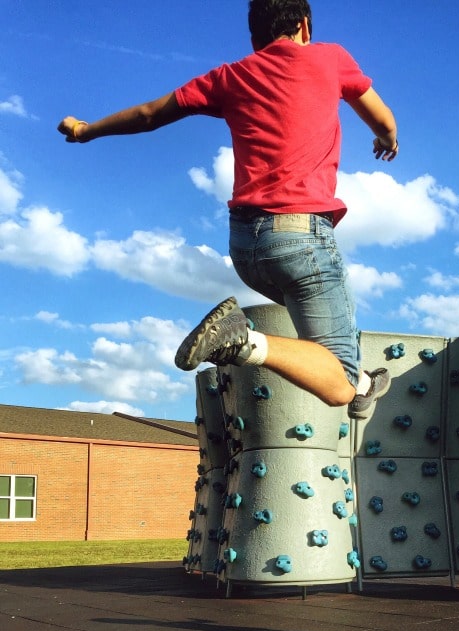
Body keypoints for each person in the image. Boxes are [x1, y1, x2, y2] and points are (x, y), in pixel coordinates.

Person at [57, 0, 398, 419]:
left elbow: (149, 115)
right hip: (302, 240)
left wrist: (86, 130)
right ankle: (249, 343)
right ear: (305, 27)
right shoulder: (331, 57)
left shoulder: (230, 76)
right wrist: (386, 138)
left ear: (254, 39)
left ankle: (366, 384)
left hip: (247, 249)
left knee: (328, 356)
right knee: (339, 382)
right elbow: (383, 119)